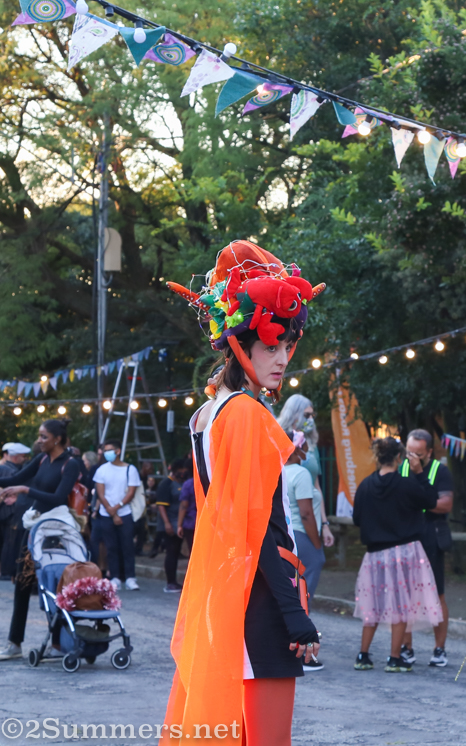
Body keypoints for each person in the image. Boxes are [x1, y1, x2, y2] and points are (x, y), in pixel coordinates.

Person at [162, 240, 323, 746]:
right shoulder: (248, 415)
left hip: (228, 591)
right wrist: (294, 616)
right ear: (239, 345)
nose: (281, 360)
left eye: (285, 348)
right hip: (260, 594)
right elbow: (254, 529)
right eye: (269, 348)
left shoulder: (206, 413)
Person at [351, 437, 443, 673]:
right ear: (399, 458)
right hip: (404, 551)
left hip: (374, 555)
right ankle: (394, 657)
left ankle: (363, 654)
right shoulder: (406, 484)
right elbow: (431, 500)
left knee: (372, 604)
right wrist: (420, 472)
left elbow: (357, 519)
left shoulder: (365, 486)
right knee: (402, 604)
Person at [0, 420, 81, 661]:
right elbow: (17, 478)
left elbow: (58, 498)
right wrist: (14, 487)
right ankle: (15, 643)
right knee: (22, 585)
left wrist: (25, 490)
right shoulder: (43, 459)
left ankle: (57, 644)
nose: (39, 441)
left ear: (57, 439)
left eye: (44, 437)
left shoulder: (70, 463)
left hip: (55, 533)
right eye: (39, 436)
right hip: (35, 529)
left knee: (54, 586)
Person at [400, 428, 454, 667]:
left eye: (419, 454)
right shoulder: (399, 467)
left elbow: (445, 505)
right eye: (409, 452)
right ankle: (405, 646)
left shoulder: (439, 471)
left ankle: (439, 649)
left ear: (429, 452)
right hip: (403, 536)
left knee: (437, 593)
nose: (413, 457)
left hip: (431, 536)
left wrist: (417, 499)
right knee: (405, 594)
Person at [282, 430, 325, 672]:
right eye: (305, 446)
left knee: (293, 593)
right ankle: (305, 652)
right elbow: (307, 513)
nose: (308, 452)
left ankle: (293, 648)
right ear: (297, 449)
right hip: (303, 537)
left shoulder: (279, 471)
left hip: (287, 537)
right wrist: (317, 544)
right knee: (304, 597)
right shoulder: (301, 473)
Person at [277, 394, 335, 550]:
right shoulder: (277, 439)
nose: (310, 419)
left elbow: (316, 487)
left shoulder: (311, 445)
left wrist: (324, 524)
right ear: (293, 414)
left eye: (312, 415)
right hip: (288, 521)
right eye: (306, 415)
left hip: (311, 523)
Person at [92, 440, 142, 591]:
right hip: (106, 513)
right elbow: (100, 493)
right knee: (110, 546)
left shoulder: (130, 469)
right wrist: (111, 511)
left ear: (118, 451)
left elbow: (131, 492)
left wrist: (117, 507)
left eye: (110, 450)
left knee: (127, 546)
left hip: (125, 512)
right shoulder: (102, 470)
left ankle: (130, 577)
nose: (107, 453)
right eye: (105, 450)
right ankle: (115, 577)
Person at [156, 458, 190, 593]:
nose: (183, 473)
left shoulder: (183, 483)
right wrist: (167, 524)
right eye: (182, 471)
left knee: (178, 552)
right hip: (170, 522)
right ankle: (170, 582)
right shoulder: (166, 484)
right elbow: (161, 506)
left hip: (182, 522)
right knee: (172, 552)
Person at [0, 442, 31, 580]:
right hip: (9, 512)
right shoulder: (9, 470)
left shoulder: (7, 469)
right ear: (15, 457)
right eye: (22, 456)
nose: (24, 459)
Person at [176, 471, 196, 557]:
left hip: (190, 522)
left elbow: (184, 505)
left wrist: (179, 525)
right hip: (207, 521)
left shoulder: (188, 484)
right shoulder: (211, 480)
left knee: (193, 551)